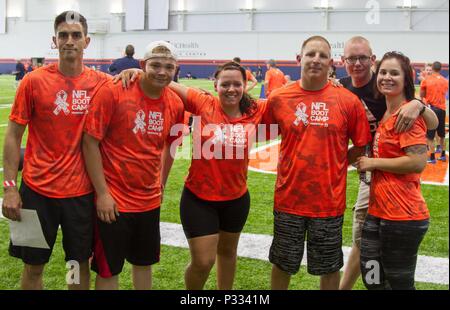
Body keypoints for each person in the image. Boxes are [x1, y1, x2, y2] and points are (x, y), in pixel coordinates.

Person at [2, 10, 110, 290]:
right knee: (33, 267)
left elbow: (142, 87)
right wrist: (10, 188)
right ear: (54, 40)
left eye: (76, 35)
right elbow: (14, 136)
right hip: (35, 193)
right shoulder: (33, 81)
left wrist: (135, 71)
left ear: (86, 42)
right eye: (63, 35)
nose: (69, 41)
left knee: (76, 265)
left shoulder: (102, 84)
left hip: (81, 196)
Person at [264, 36, 372, 290]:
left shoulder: (347, 101)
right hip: (288, 200)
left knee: (329, 266)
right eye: (310, 54)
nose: (316, 59)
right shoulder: (279, 98)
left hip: (329, 202)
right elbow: (261, 133)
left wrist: (336, 163)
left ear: (332, 63)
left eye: (322, 55)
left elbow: (361, 145)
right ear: (299, 59)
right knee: (282, 264)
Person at [338, 36, 438, 290]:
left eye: (363, 58)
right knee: (369, 256)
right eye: (351, 58)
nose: (357, 63)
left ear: (372, 59)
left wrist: (418, 104)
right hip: (377, 187)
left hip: (398, 200)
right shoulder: (341, 89)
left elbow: (419, 157)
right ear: (343, 61)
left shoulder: (398, 103)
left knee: (394, 274)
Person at [83, 41, 184, 290]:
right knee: (109, 270)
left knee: (143, 264)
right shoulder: (114, 91)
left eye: (168, 66)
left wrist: (161, 182)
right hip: (114, 200)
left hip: (148, 200)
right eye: (155, 65)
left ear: (176, 70)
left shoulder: (175, 104)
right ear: (142, 65)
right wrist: (103, 194)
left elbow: (169, 147)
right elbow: (90, 142)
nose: (162, 71)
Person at [356, 51, 430, 290]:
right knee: (372, 276)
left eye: (394, 73)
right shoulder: (388, 111)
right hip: (379, 211)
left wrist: (373, 163)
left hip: (403, 216)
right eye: (384, 72)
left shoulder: (408, 115)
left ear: (406, 78)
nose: (387, 77)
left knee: (399, 283)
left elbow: (417, 162)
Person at [421, 61, 449, 163]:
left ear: (432, 68)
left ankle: (432, 157)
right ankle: (442, 155)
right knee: (442, 134)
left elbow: (422, 95)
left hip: (431, 109)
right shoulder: (445, 81)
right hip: (442, 109)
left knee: (430, 135)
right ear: (441, 69)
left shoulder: (426, 80)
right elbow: (444, 93)